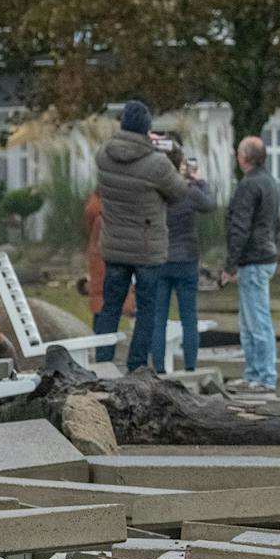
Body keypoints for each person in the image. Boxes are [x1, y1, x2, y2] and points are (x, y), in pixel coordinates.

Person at [93, 100, 185, 371]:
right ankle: (136, 366)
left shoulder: (103, 156)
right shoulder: (157, 164)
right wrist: (172, 151)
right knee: (147, 310)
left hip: (114, 246)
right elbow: (179, 192)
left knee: (111, 308)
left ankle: (103, 365)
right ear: (147, 129)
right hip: (147, 249)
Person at [152, 138, 214, 372]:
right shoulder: (188, 190)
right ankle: (190, 367)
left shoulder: (153, 190)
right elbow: (209, 204)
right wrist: (201, 182)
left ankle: (158, 368)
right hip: (186, 257)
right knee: (189, 316)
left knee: (159, 317)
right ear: (180, 163)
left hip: (160, 258)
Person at [225, 134, 280, 390]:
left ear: (245, 158)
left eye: (238, 152)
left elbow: (240, 226)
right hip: (265, 253)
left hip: (253, 258)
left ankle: (264, 375)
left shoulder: (249, 185)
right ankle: (254, 373)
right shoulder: (269, 181)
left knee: (255, 320)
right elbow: (274, 223)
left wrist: (230, 264)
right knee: (251, 318)